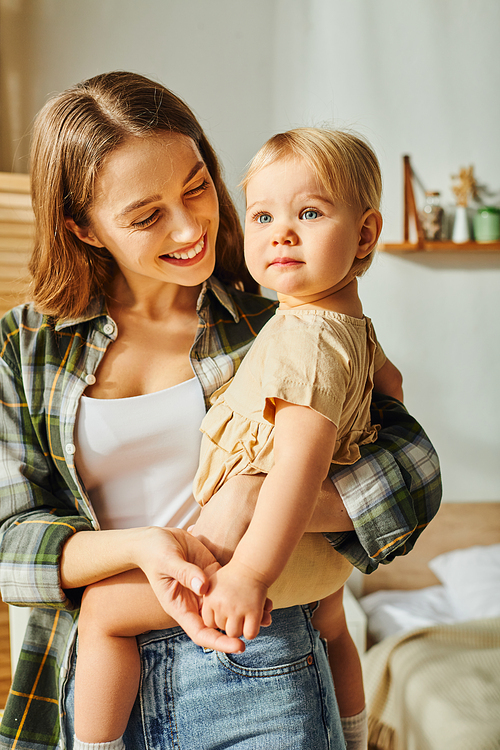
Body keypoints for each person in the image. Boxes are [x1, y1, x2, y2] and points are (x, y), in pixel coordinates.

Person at [0, 71, 441, 750]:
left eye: (196, 185)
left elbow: (413, 477)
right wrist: (143, 547)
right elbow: (9, 543)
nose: (189, 226)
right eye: (146, 215)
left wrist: (250, 501)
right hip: (85, 677)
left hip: (260, 655)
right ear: (81, 227)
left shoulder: (281, 319)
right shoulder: (23, 347)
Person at [72, 127, 398, 750]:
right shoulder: (339, 325)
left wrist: (248, 569)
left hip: (251, 568)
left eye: (308, 213)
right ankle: (353, 736)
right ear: (86, 228)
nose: (281, 232)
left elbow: (299, 468)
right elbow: (392, 391)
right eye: (263, 215)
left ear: (364, 233)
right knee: (333, 621)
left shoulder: (300, 337)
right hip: (311, 569)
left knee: (102, 612)